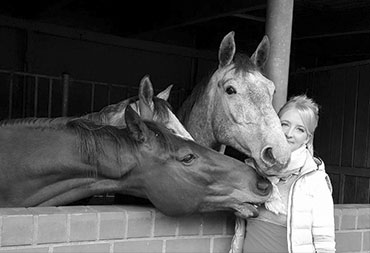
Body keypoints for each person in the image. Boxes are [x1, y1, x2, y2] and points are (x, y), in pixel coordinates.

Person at [240, 94, 336, 253]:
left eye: (300, 129)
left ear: (307, 138)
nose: (289, 133)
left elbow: (324, 242)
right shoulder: (253, 169)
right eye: (284, 124)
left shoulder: (315, 180)